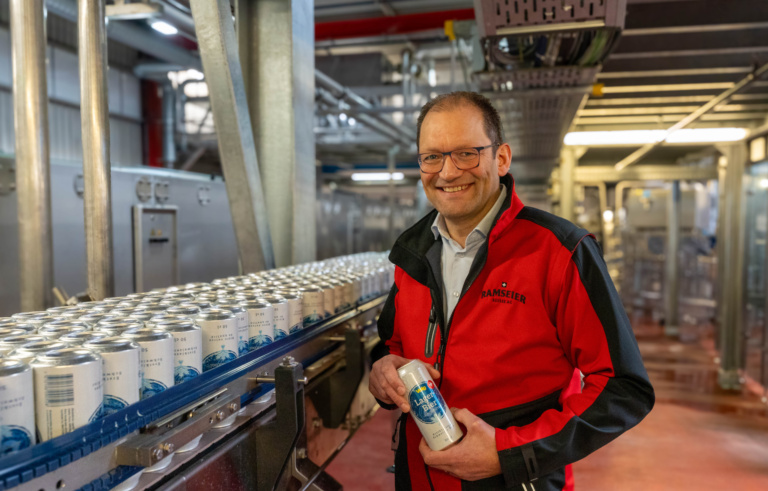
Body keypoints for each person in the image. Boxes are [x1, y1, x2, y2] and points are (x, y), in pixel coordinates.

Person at [369, 91, 654, 491]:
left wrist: (510, 452)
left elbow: (623, 388)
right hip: (420, 478)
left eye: (466, 153)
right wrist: (381, 371)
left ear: (501, 159)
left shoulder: (558, 251)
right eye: (431, 157)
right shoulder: (412, 252)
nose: (447, 172)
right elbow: (390, 344)